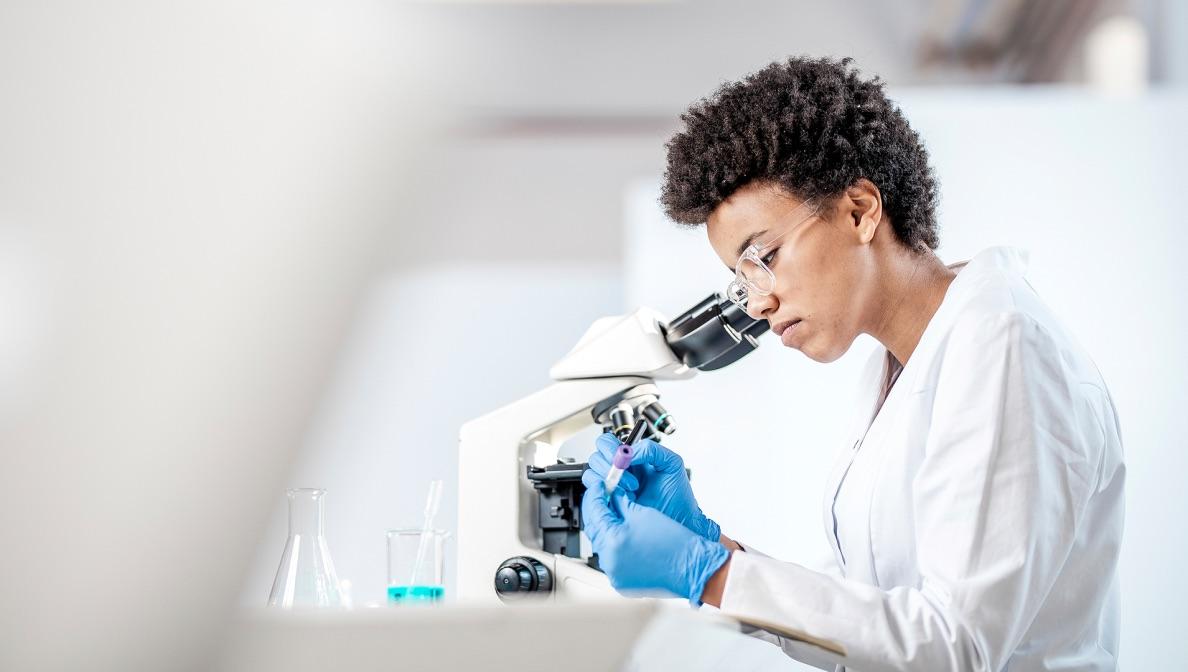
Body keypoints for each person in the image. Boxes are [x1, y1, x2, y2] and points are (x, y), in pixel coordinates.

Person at [581, 57, 1125, 672]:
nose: (757, 302)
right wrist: (717, 549)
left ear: (861, 209)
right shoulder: (900, 366)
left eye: (762, 257)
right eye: (740, 279)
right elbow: (872, 610)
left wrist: (716, 576)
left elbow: (955, 644)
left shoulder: (1003, 345)